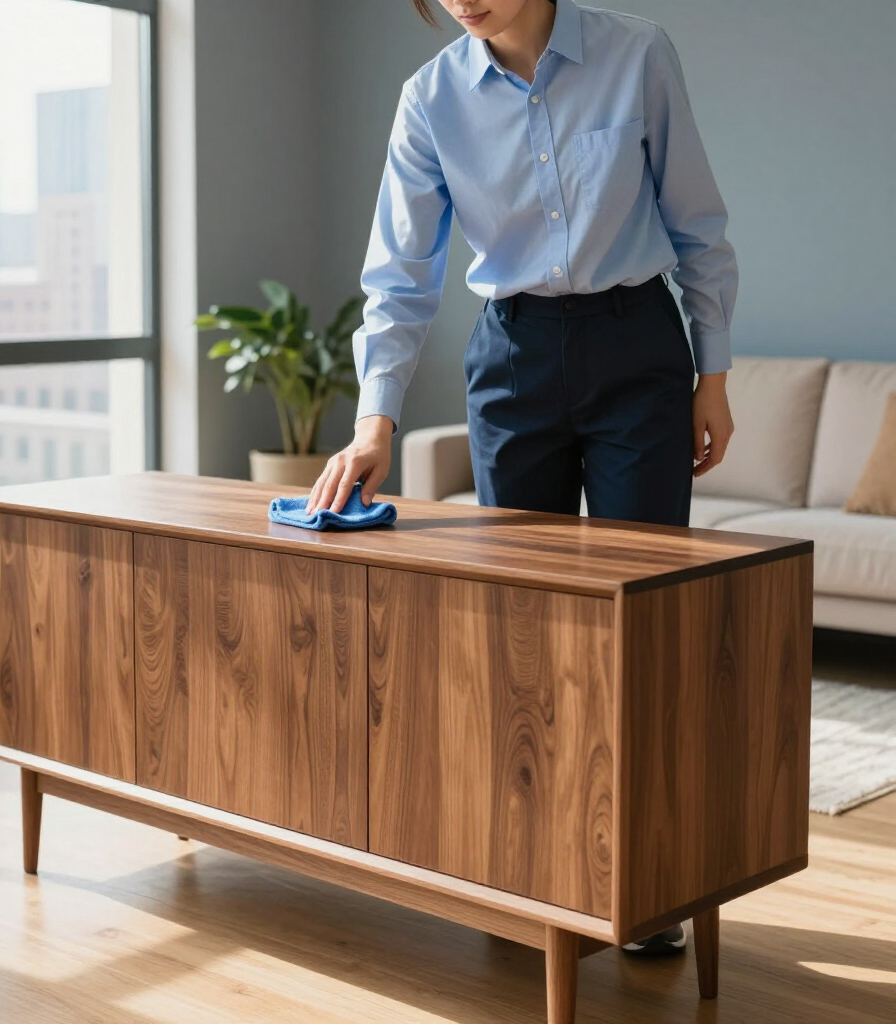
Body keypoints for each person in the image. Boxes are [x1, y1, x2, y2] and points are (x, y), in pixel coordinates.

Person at [305, 0, 739, 954]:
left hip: (637, 350)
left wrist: (712, 375)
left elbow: (696, 222)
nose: (460, 1)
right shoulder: (429, 99)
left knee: (641, 620)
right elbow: (400, 273)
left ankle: (646, 882)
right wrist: (375, 422)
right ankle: (531, 868)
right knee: (521, 635)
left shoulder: (637, 54)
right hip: (512, 357)